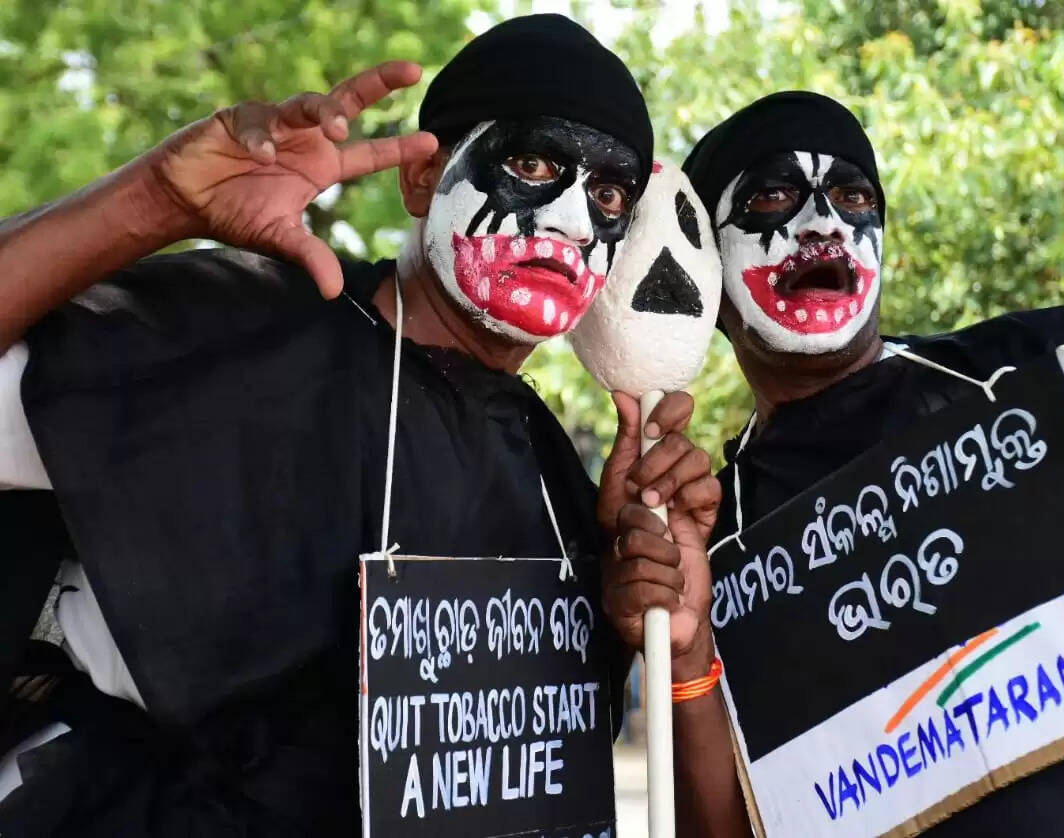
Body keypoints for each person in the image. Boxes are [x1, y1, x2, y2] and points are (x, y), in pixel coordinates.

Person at [0, 14, 716, 836]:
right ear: (422, 180)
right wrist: (153, 200)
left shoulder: (558, 482)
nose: (571, 221)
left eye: (609, 194)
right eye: (529, 163)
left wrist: (636, 602)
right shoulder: (245, 331)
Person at [610, 91, 1064, 835]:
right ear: (708, 276)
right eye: (772, 196)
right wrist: (689, 653)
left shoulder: (1048, 376)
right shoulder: (709, 542)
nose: (823, 225)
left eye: (851, 194)